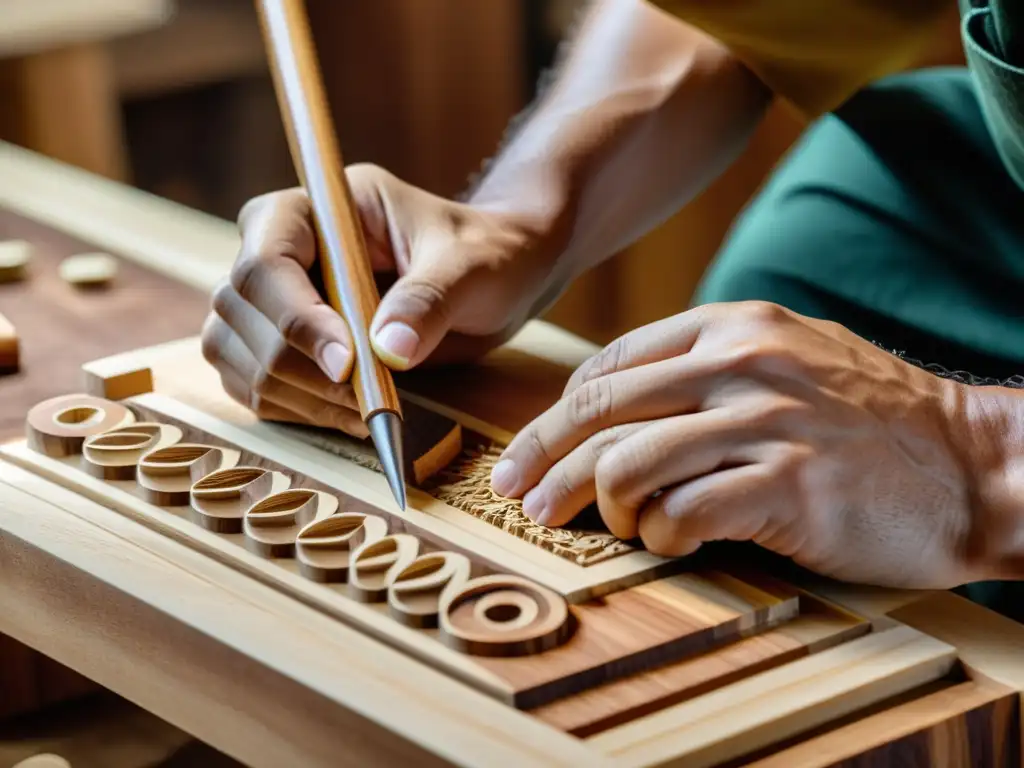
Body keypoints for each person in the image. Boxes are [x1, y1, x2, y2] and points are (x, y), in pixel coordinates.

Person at [200, 0, 1024, 613]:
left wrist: (974, 455)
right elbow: (724, 13)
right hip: (982, 206)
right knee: (777, 307)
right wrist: (524, 219)